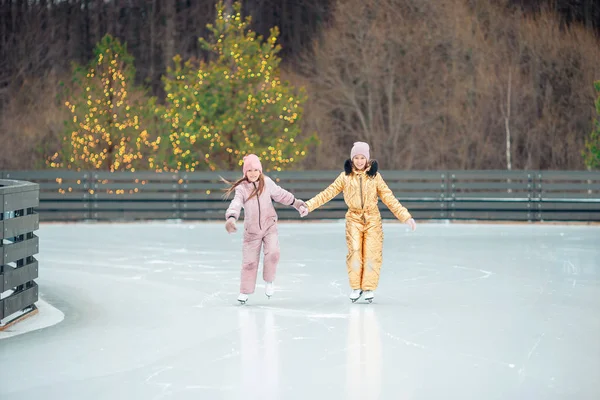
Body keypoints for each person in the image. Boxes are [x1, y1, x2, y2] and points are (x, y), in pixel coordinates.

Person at [300, 142, 416, 303]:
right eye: (356, 157)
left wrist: (405, 216)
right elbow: (328, 193)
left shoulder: (375, 176)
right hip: (353, 219)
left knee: (372, 253)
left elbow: (389, 198)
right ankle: (356, 287)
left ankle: (368, 288)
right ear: (352, 159)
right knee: (354, 252)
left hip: (372, 219)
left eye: (362, 158)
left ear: (367, 159)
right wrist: (308, 205)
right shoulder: (345, 177)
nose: (360, 161)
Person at [224, 154, 306, 304]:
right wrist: (231, 218)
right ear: (245, 172)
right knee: (249, 263)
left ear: (260, 170)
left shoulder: (267, 183)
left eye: (256, 170)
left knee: (273, 254)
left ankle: (269, 281)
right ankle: (245, 291)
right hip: (252, 231)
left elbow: (281, 195)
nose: (253, 173)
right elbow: (236, 203)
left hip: (269, 226)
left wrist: (296, 202)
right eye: (250, 170)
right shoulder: (242, 189)